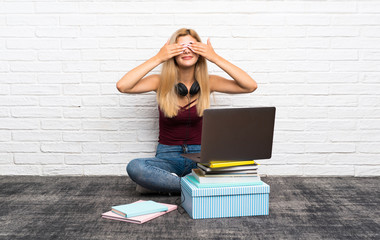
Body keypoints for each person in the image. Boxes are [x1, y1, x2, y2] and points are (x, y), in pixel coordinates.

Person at [116, 28, 257, 194]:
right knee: (136, 167)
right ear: (172, 52)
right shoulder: (159, 82)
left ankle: (167, 184)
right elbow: (123, 86)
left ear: (200, 52)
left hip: (201, 155)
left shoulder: (208, 82)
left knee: (242, 167)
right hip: (168, 156)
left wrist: (214, 57)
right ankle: (193, 186)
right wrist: (158, 58)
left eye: (192, 45)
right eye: (180, 46)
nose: (187, 50)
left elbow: (250, 85)